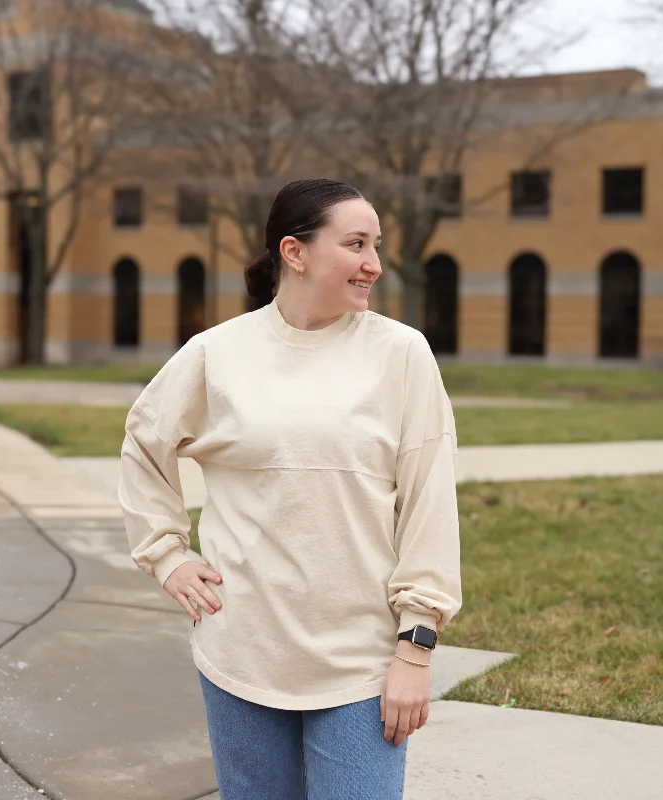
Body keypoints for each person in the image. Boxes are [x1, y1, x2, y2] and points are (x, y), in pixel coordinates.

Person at [118, 177, 462, 800]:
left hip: (362, 664)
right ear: (294, 252)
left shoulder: (401, 355)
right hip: (241, 651)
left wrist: (416, 648)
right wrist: (165, 554)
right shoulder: (217, 353)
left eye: (377, 246)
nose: (373, 265)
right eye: (356, 244)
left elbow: (429, 505)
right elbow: (145, 440)